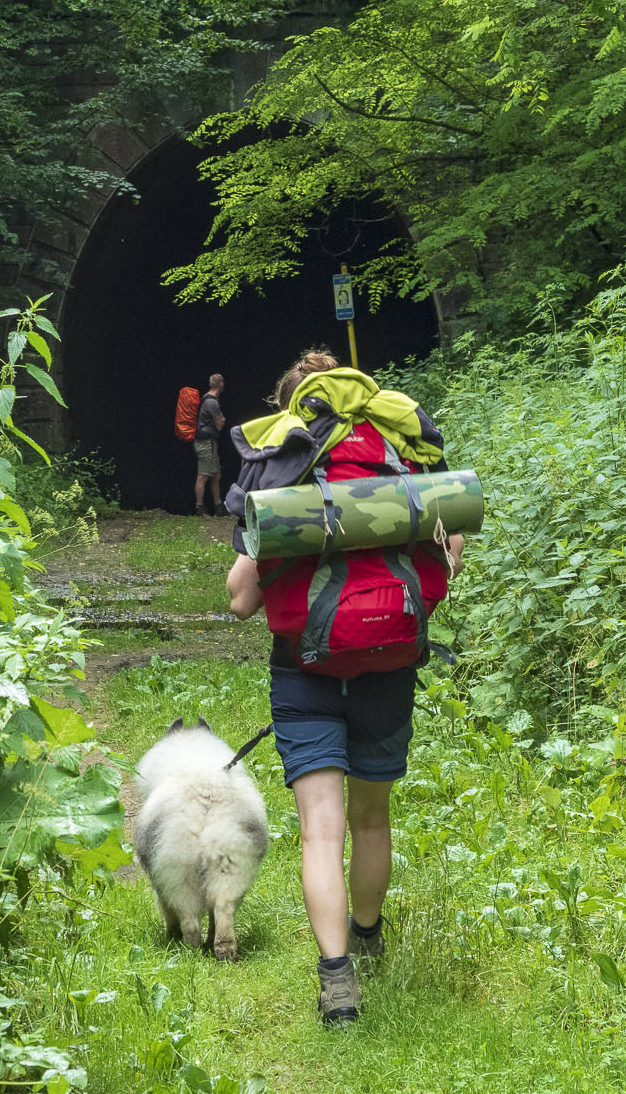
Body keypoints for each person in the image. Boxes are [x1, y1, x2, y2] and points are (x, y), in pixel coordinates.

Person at [224, 348, 465, 1027]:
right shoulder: (400, 458)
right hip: (389, 664)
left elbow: (242, 601)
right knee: (372, 819)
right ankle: (368, 933)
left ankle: (337, 982)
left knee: (321, 834)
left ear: (291, 407)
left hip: (304, 667)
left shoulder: (282, 466)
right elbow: (446, 555)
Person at [192, 374, 227, 515]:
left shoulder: (206, 399)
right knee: (203, 475)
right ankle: (199, 507)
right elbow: (219, 425)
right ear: (221, 384)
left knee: (215, 475)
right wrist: (223, 419)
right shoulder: (212, 402)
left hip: (210, 443)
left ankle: (218, 506)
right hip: (205, 443)